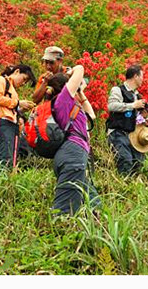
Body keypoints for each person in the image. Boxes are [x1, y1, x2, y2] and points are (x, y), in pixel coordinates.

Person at [47, 65, 100, 215]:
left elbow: (92, 116)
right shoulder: (62, 99)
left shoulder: (69, 104)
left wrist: (81, 94)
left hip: (73, 153)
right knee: (65, 207)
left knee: (92, 199)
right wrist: (69, 73)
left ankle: (96, 219)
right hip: (73, 153)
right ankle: (59, 230)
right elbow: (81, 68)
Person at [0, 64, 35, 171]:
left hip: (11, 124)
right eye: (24, 79)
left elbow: (10, 106)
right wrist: (18, 103)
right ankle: (2, 182)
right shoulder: (1, 80)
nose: (23, 83)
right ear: (17, 72)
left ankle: (8, 182)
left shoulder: (12, 88)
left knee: (11, 157)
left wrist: (21, 107)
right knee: (6, 157)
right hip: (4, 123)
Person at [106, 65, 148, 175]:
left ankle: (133, 188)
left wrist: (144, 116)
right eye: (141, 76)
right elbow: (111, 106)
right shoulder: (118, 90)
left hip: (133, 135)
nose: (143, 79)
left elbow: (138, 117)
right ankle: (123, 188)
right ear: (135, 76)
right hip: (118, 132)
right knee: (125, 160)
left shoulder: (137, 95)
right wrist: (132, 105)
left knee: (138, 162)